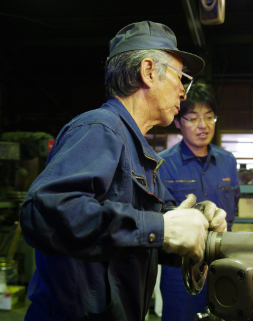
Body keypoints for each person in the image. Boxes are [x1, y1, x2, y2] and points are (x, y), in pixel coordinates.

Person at [19, 21, 227, 321]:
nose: (183, 92)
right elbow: (43, 213)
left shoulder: (139, 151)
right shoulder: (100, 129)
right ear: (148, 71)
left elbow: (145, 235)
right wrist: (162, 229)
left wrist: (198, 225)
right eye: (181, 78)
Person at [159, 82, 241, 321]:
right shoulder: (162, 164)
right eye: (193, 118)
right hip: (180, 270)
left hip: (223, 264)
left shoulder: (227, 161)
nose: (203, 126)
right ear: (177, 122)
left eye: (209, 117)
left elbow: (233, 213)